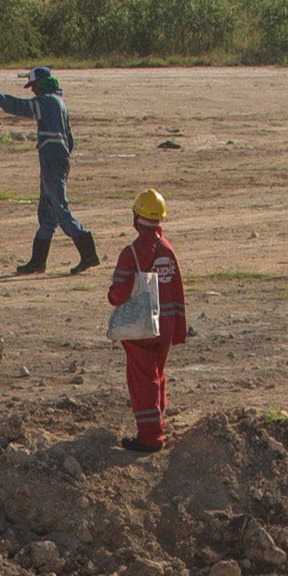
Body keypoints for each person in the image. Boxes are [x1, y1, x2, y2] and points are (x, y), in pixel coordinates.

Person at [0, 63, 96, 273]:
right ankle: (38, 262)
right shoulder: (60, 103)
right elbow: (70, 138)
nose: (32, 90)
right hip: (59, 158)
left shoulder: (46, 102)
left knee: (60, 208)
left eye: (34, 85)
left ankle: (88, 254)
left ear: (41, 85)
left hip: (51, 159)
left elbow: (21, 107)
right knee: (47, 213)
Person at [107, 184, 189, 447]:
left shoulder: (131, 253)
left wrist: (112, 298)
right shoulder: (167, 249)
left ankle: (150, 437)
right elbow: (177, 290)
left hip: (140, 328)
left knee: (143, 380)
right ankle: (158, 425)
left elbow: (118, 294)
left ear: (136, 218)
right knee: (157, 375)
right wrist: (177, 329)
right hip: (164, 325)